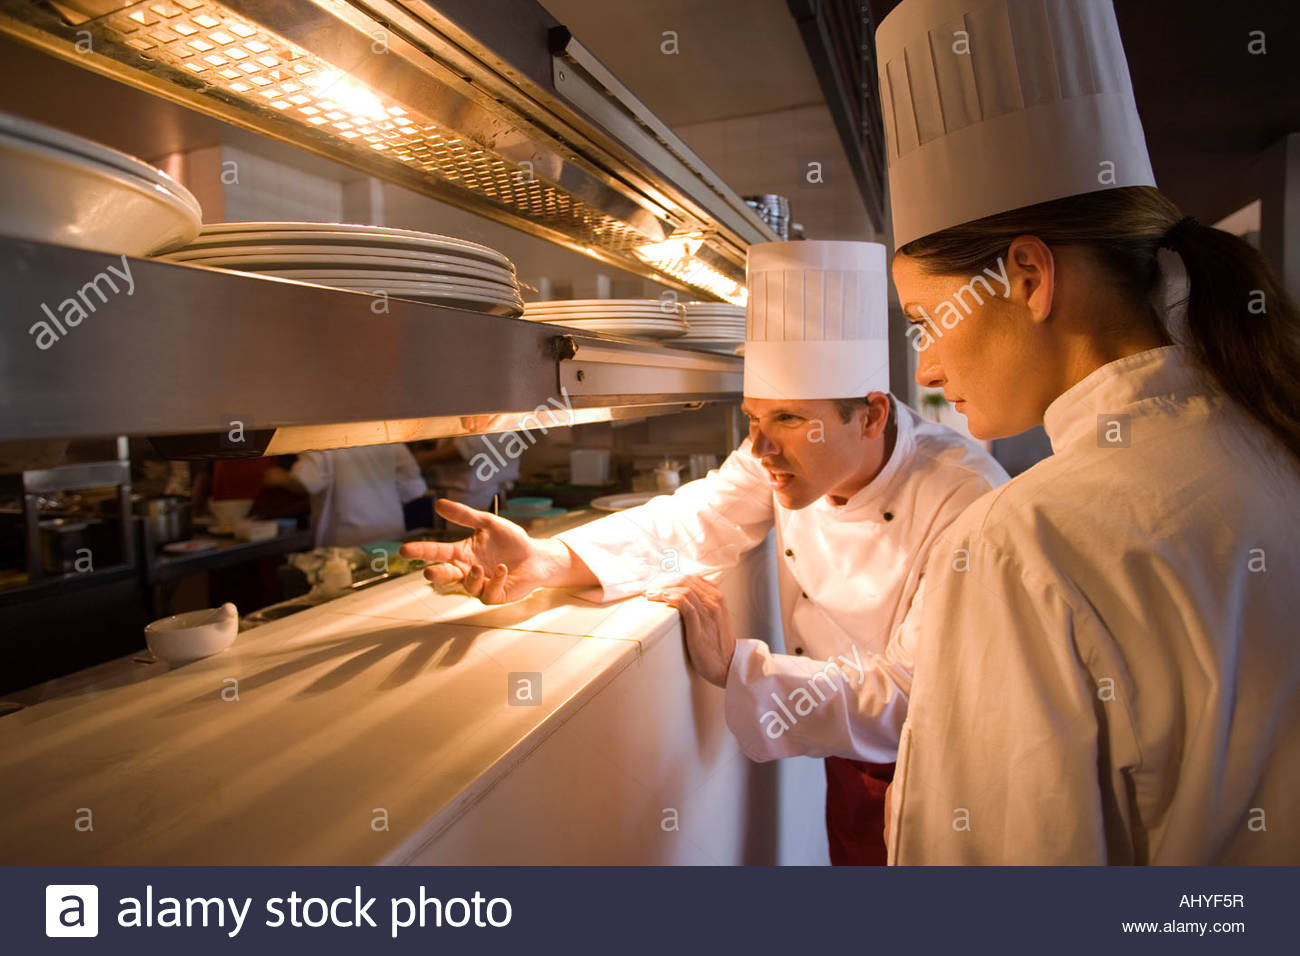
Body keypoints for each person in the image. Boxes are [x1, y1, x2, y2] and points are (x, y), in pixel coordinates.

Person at [859, 0, 1300, 862]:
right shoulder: (1269, 435)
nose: (926, 368)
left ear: (1027, 276)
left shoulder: (1023, 543)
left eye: (925, 319)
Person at [402, 241, 1008, 865]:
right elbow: (695, 520)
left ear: (872, 415)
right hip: (844, 750)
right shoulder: (769, 460)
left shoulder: (965, 500)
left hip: (944, 770)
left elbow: (912, 695)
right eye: (755, 419)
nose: (763, 449)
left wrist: (739, 667)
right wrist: (549, 561)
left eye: (793, 420)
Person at [265, 444, 427, 548]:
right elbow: (412, 487)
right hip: (391, 536)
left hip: (345, 546)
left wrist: (278, 477)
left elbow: (306, 482)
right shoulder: (386, 431)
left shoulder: (321, 434)